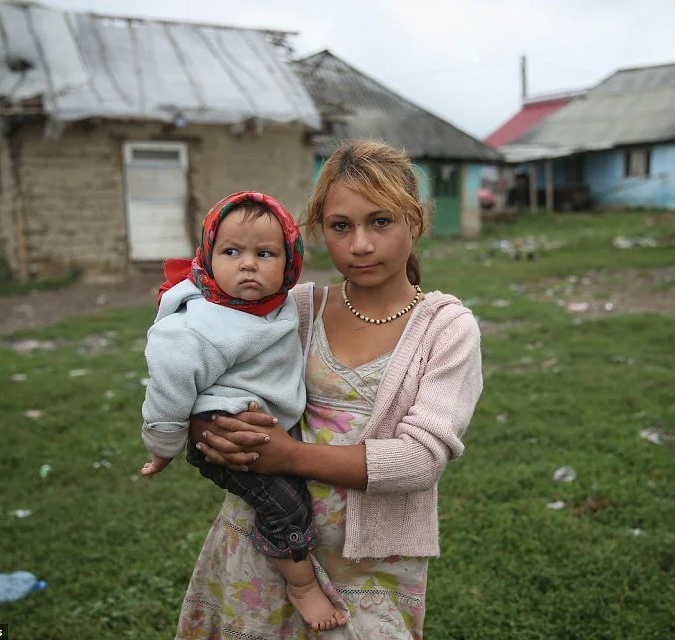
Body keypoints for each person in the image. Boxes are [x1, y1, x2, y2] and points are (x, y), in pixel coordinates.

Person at [173, 140, 483, 639]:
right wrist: (206, 424)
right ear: (321, 231)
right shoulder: (295, 309)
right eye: (342, 226)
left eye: (380, 221)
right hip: (265, 544)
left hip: (372, 561)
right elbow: (204, 366)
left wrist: (287, 456)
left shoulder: (445, 329)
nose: (360, 244)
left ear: (416, 222)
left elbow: (420, 460)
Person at [140, 191, 346, 632]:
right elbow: (169, 382)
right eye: (231, 252)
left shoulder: (277, 305)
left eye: (265, 253)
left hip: (264, 424)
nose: (248, 264)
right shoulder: (201, 323)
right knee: (286, 507)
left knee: (292, 493)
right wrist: (165, 444)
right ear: (209, 256)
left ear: (290, 264)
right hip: (223, 427)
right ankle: (302, 585)